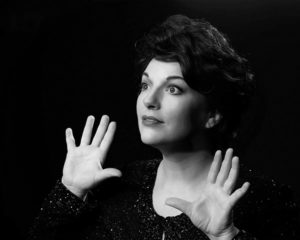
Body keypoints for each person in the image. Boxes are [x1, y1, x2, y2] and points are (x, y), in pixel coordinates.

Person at [28, 14, 298, 240]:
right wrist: (69, 191)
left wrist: (227, 236)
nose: (149, 100)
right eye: (146, 85)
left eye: (173, 89)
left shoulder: (265, 201)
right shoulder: (115, 188)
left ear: (212, 114)